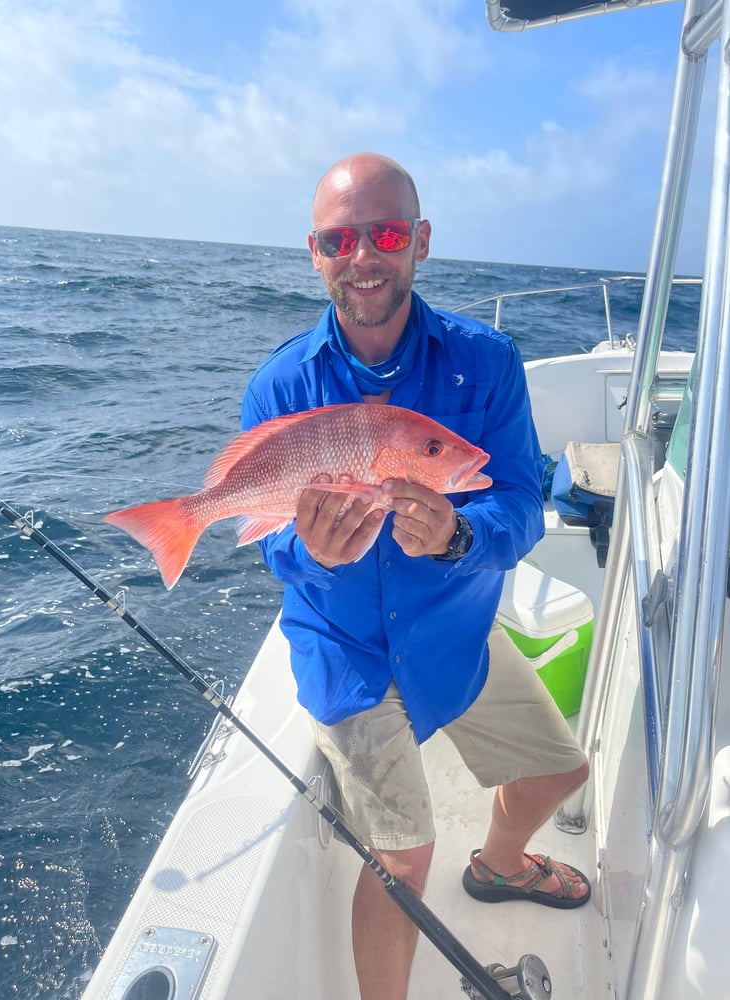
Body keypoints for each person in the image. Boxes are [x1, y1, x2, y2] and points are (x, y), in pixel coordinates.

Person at [240, 152, 590, 1000]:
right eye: (340, 239)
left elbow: (517, 502)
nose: (364, 255)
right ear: (315, 251)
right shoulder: (280, 384)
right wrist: (310, 552)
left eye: (387, 233)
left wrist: (460, 536)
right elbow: (269, 540)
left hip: (452, 633)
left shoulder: (488, 361)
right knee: (402, 853)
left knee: (560, 771)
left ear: (421, 241)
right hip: (348, 650)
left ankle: (500, 867)